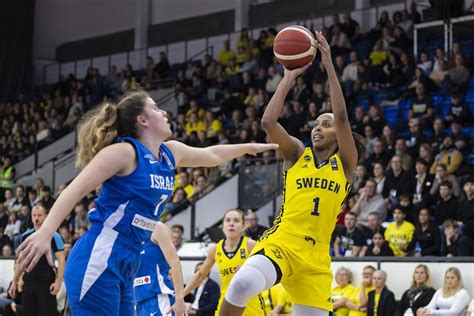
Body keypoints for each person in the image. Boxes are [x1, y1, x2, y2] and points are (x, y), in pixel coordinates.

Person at [15, 91, 276, 316]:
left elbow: (212, 154)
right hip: (99, 257)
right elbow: (75, 189)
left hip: (128, 262)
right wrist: (46, 232)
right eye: (156, 108)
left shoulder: (169, 152)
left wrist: (248, 147)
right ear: (142, 120)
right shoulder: (124, 152)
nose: (164, 112)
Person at [220, 31, 364, 316]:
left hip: (317, 257)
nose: (318, 128)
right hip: (283, 242)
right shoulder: (298, 153)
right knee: (241, 285)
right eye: (316, 124)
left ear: (340, 135)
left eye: (326, 125)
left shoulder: (346, 164)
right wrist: (288, 78)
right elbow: (268, 121)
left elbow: (343, 116)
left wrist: (329, 64)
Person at [183, 209, 266, 315]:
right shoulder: (215, 249)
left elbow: (265, 272)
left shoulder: (251, 245)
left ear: (243, 225)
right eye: (228, 220)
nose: (231, 224)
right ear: (223, 225)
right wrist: (181, 296)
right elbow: (200, 275)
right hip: (225, 304)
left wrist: (250, 271)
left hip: (251, 306)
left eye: (236, 221)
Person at [9, 204, 65, 316]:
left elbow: (62, 259)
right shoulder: (26, 236)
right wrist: (14, 281)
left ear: (46, 216)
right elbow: (21, 262)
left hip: (47, 281)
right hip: (29, 280)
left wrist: (58, 282)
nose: (36, 218)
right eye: (34, 215)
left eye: (39, 215)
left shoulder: (54, 235)